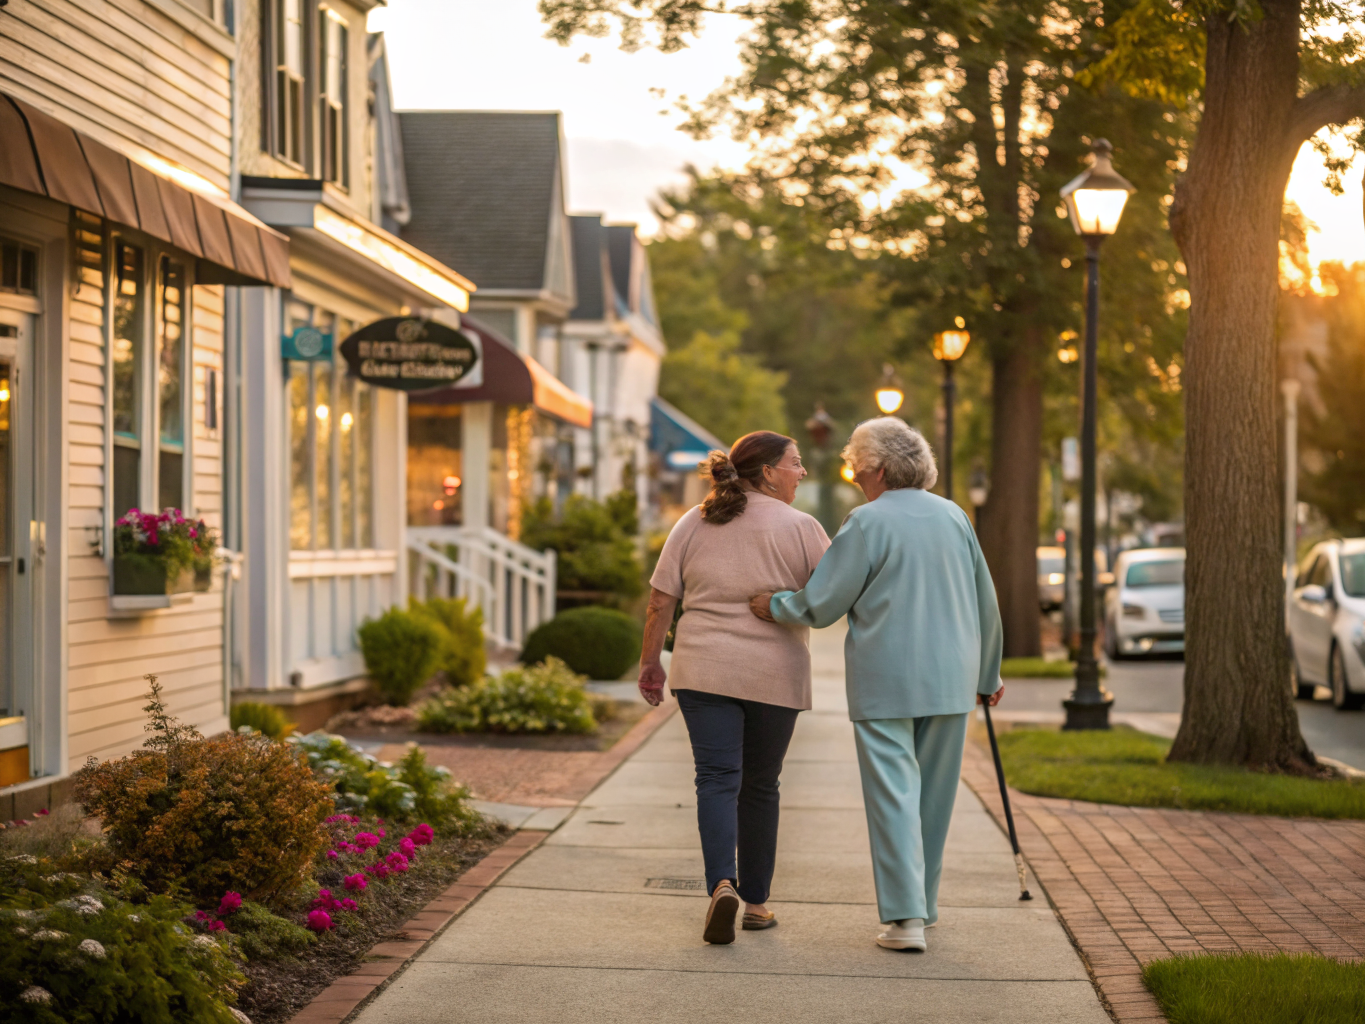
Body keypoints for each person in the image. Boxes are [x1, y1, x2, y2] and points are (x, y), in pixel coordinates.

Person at [749, 417, 1004, 953]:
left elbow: (822, 602)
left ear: (881, 470)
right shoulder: (955, 516)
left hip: (887, 676)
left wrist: (775, 605)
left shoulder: (866, 522)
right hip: (953, 676)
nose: (855, 478)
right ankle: (924, 908)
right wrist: (989, 673)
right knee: (933, 798)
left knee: (893, 796)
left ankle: (906, 919)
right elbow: (986, 601)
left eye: (859, 469)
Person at [640, 431, 830, 945]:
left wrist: (651, 662)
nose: (802, 472)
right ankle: (758, 904)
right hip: (775, 673)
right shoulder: (802, 527)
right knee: (761, 785)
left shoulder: (694, 520)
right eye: (795, 463)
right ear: (767, 472)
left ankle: (721, 883)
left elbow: (661, 600)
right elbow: (833, 597)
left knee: (716, 779)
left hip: (702, 669)